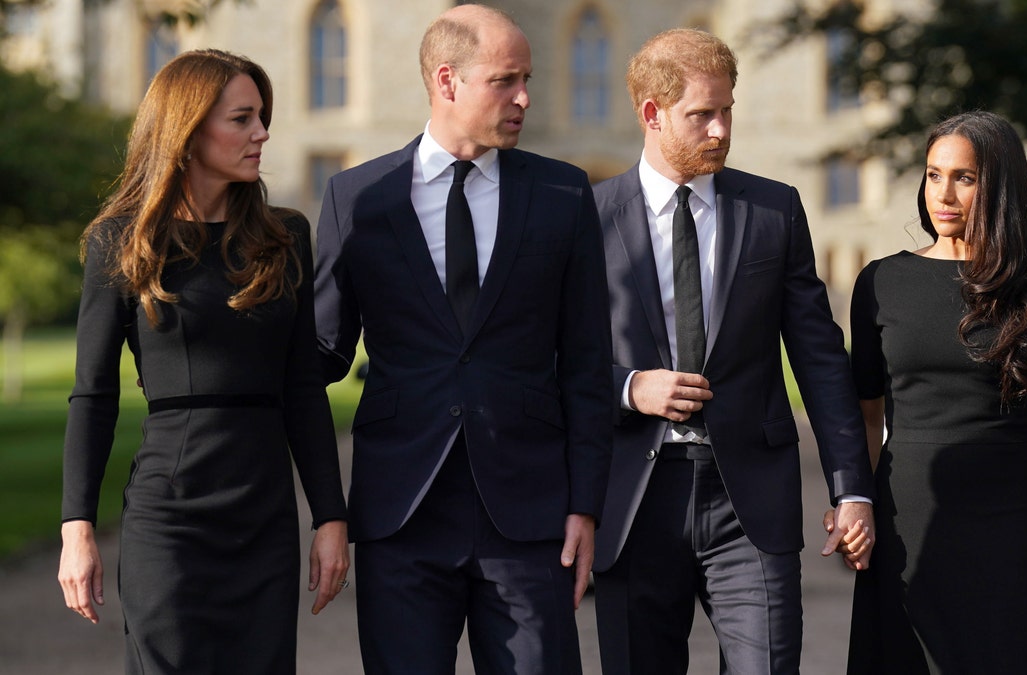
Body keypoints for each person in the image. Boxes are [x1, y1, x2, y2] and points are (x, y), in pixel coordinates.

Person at [312, 4, 612, 674]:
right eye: (506, 80)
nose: (525, 97)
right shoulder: (358, 198)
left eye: (526, 78)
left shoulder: (564, 194)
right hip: (401, 515)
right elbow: (322, 352)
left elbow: (588, 365)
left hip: (530, 519)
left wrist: (586, 504)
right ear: (447, 82)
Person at [591, 28, 877, 674]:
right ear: (651, 114)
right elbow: (552, 358)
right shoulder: (589, 217)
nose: (720, 130)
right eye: (701, 115)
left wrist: (850, 487)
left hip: (749, 503)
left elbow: (821, 358)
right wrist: (632, 386)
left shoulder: (774, 211)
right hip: (635, 499)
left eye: (727, 111)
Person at [57, 49, 350, 673]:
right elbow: (93, 394)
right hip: (169, 520)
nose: (262, 133)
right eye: (242, 118)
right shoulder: (122, 240)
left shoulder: (286, 236)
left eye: (262, 117)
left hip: (264, 517)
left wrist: (330, 518)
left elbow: (303, 389)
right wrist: (76, 527)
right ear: (188, 134)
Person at [843, 110, 1027, 673]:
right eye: (933, 174)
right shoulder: (881, 283)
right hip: (908, 526)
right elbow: (864, 415)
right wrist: (859, 504)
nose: (943, 194)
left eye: (964, 178)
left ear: (1000, 187)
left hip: (1009, 530)